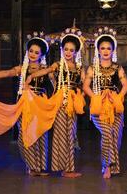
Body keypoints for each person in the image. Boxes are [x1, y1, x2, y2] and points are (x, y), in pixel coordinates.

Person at [0, 33, 53, 176]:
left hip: (39, 106)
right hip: (24, 106)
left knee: (40, 136)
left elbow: (55, 86)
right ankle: (31, 166)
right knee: (24, 136)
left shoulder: (46, 70)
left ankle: (40, 167)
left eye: (36, 52)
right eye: (31, 51)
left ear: (41, 54)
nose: (33, 54)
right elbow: (6, 73)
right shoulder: (22, 69)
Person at [25, 26, 85, 178]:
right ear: (62, 50)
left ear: (76, 52)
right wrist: (31, 77)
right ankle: (61, 168)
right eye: (66, 49)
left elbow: (84, 85)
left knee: (71, 135)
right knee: (59, 136)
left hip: (72, 104)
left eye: (71, 50)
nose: (68, 52)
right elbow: (45, 71)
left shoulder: (79, 68)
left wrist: (80, 95)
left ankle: (69, 169)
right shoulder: (57, 65)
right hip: (58, 103)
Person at [83, 27, 127, 179]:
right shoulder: (92, 68)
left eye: (108, 48)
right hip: (99, 106)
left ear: (113, 50)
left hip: (114, 105)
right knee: (108, 133)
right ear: (98, 50)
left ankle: (112, 166)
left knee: (116, 134)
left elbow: (126, 85)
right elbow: (85, 87)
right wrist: (96, 97)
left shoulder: (118, 68)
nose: (105, 51)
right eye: (102, 48)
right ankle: (106, 166)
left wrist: (118, 97)